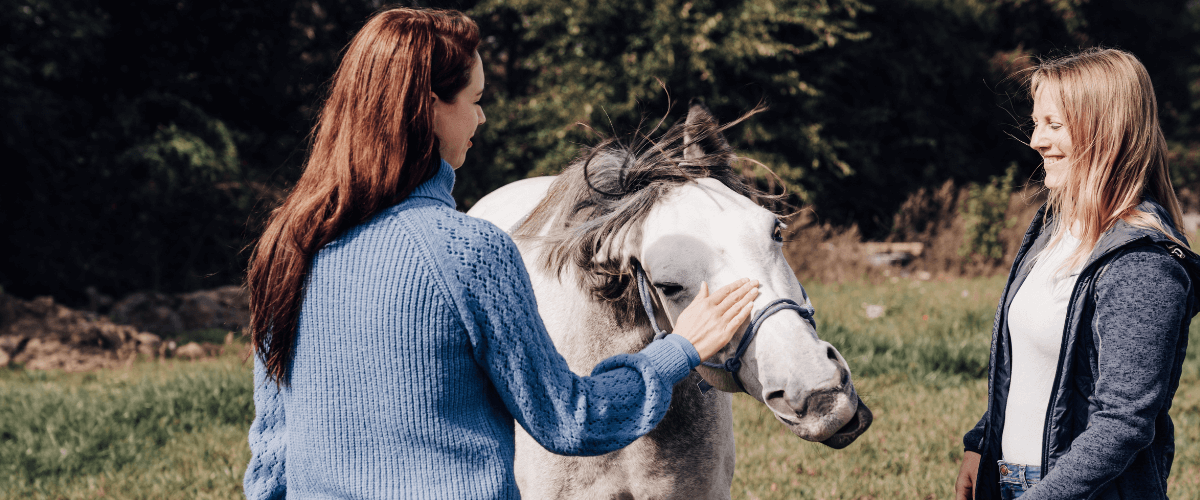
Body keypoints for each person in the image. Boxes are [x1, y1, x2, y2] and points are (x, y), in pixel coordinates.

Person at [241, 8, 759, 500]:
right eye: (476, 97)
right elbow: (569, 418)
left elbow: (273, 449)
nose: (483, 117)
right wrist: (681, 347)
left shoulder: (289, 247)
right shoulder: (468, 251)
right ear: (428, 106)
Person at [954, 47, 1199, 500]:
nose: (1036, 141)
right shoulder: (1052, 232)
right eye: (1036, 123)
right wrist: (981, 443)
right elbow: (1029, 367)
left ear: (1104, 131)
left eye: (1054, 125)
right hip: (1011, 479)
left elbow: (1124, 422)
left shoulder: (1142, 262)